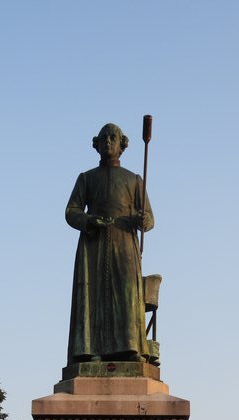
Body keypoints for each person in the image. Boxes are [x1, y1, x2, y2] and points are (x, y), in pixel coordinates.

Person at [66, 122, 154, 365]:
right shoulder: (86, 178)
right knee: (93, 296)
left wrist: (142, 219)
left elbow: (149, 218)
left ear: (121, 145)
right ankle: (90, 349)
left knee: (126, 296)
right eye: (104, 138)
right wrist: (89, 220)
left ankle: (129, 346)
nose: (108, 141)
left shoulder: (134, 180)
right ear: (96, 145)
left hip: (124, 245)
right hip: (93, 245)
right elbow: (71, 211)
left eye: (113, 137)